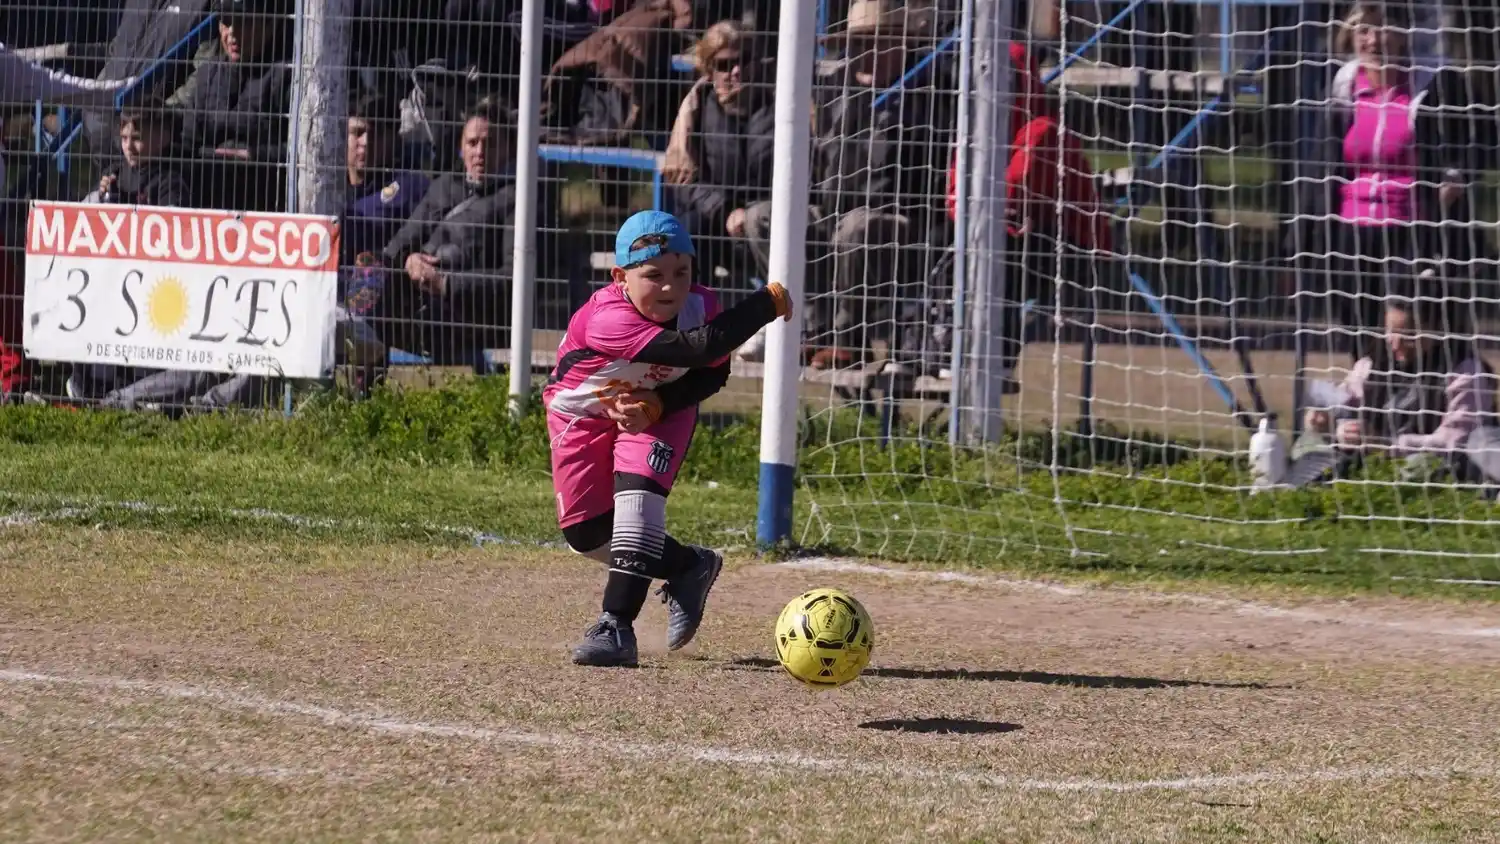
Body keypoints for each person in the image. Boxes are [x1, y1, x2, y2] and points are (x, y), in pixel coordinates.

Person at [544, 210, 792, 667]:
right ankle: (688, 566)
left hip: (661, 409)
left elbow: (711, 374)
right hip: (580, 416)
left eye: (683, 273)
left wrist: (658, 405)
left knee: (637, 501)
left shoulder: (702, 306)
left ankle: (615, 626)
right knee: (586, 534)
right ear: (620, 276)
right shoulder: (605, 317)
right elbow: (696, 349)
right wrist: (766, 303)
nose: (671, 288)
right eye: (653, 275)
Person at [944, 42, 1110, 391]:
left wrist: (977, 206)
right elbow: (955, 195)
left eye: (1007, 80)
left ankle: (996, 361)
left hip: (1070, 247)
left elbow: (1015, 187)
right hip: (1011, 231)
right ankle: (939, 349)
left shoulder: (1043, 129)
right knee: (944, 241)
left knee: (999, 251)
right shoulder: (974, 131)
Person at [376, 96, 532, 363]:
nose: (479, 152)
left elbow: (513, 279)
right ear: (461, 146)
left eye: (490, 143)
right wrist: (410, 260)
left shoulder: (518, 199)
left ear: (509, 149)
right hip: (421, 303)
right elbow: (402, 242)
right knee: (371, 296)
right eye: (472, 143)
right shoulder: (444, 187)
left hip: (476, 315)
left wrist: (445, 283)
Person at [1304, 287, 1497, 477]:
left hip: (1437, 470)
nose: (1395, 344)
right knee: (1306, 446)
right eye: (1390, 332)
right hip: (1374, 465)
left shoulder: (1466, 373)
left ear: (1438, 330)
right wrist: (1329, 425)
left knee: (1418, 465)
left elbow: (1454, 441)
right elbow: (1346, 402)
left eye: (1409, 336)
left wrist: (1387, 444)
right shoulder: (1372, 364)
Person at [662, 19, 775, 291]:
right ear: (710, 71)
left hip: (767, 220)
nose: (736, 71)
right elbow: (682, 180)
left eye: (744, 60)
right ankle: (695, 321)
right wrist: (724, 210)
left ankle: (784, 319)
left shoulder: (778, 106)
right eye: (724, 65)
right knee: (688, 230)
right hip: (718, 222)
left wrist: (748, 215)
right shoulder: (697, 110)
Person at [176, 0, 293, 213]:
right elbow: (187, 142)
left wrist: (255, 155)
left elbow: (299, 153)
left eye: (244, 22)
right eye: (226, 22)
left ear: (270, 25)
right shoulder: (208, 76)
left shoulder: (287, 76)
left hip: (264, 200)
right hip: (207, 197)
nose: (232, 33)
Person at [341, 92, 431, 321]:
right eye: (358, 133)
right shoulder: (322, 189)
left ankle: (356, 338)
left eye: (377, 133)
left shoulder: (411, 186)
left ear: (394, 138)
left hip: (387, 298)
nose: (366, 143)